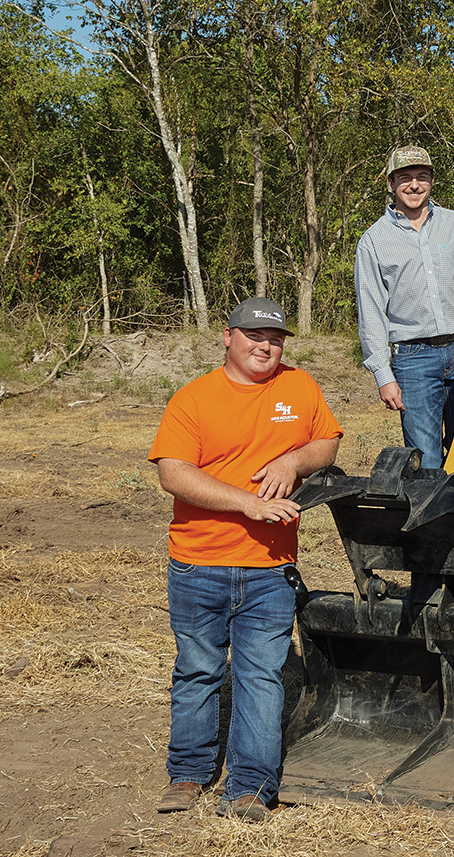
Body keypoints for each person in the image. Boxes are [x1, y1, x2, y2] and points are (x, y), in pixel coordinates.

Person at [149, 297, 342, 821]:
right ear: (229, 337)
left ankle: (250, 788)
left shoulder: (299, 387)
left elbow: (327, 441)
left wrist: (294, 458)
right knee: (198, 669)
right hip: (198, 563)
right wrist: (248, 503)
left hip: (270, 570)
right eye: (256, 336)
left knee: (262, 676)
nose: (266, 346)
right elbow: (173, 473)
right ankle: (188, 775)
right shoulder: (194, 398)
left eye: (276, 338)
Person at [354, 145, 454, 469]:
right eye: (405, 178)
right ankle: (433, 521)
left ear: (432, 180)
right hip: (413, 361)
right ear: (391, 183)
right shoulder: (373, 240)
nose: (414, 185)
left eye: (421, 177)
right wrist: (383, 374)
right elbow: (371, 312)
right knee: (426, 463)